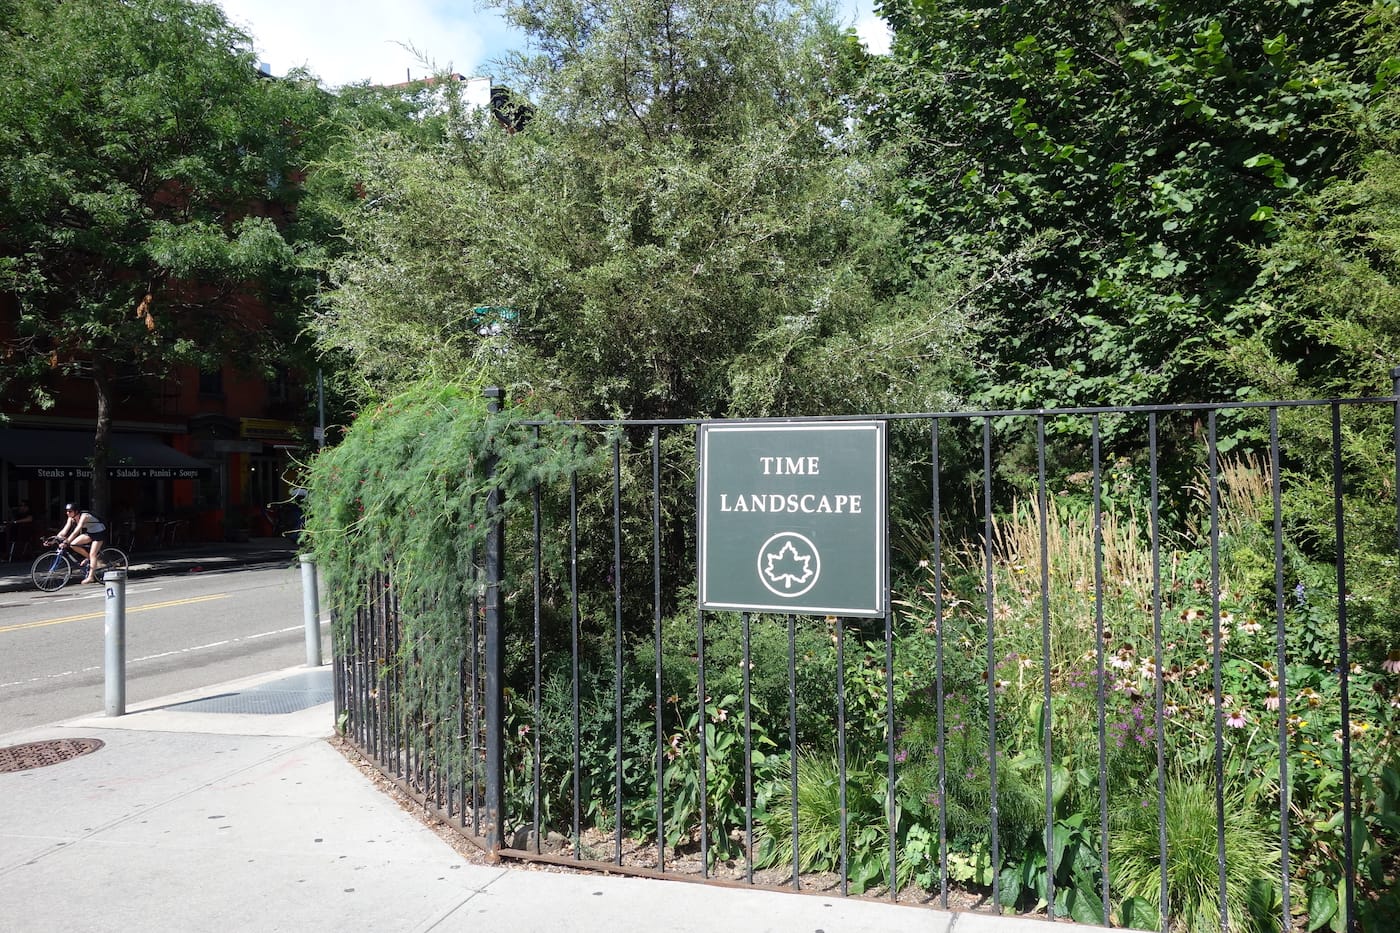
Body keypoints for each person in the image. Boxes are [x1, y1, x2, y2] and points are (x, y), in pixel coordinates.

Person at [53, 503, 107, 584]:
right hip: (90, 532)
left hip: (99, 532)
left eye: (70, 511)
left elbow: (76, 531)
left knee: (93, 554)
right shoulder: (71, 518)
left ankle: (91, 577)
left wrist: (66, 542)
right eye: (67, 511)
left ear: (76, 511)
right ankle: (91, 559)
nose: (67, 513)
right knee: (73, 544)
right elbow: (64, 531)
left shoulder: (84, 516)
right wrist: (54, 539)